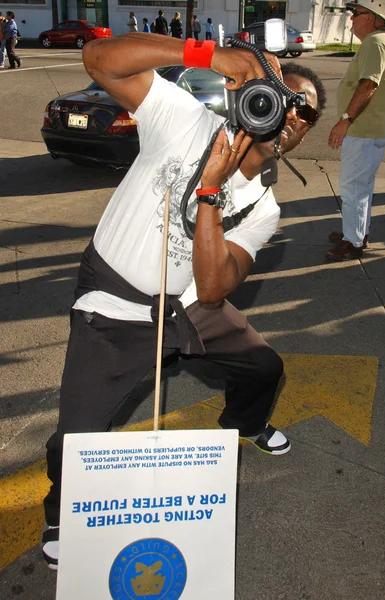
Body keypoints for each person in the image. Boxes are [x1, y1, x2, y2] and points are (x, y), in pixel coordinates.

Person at [41, 33, 326, 569]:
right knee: (73, 439)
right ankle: (61, 509)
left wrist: (211, 193)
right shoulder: (183, 119)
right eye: (278, 94)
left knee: (264, 367)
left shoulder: (265, 209)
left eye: (302, 111)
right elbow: (98, 59)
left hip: (190, 302)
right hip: (115, 304)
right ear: (247, 89)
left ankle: (244, 424)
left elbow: (216, 289)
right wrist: (208, 55)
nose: (286, 114)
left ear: (305, 131)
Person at [326, 0, 385, 261]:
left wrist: (345, 120)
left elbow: (369, 85)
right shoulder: (381, 40)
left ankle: (352, 242)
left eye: (357, 13)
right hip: (372, 129)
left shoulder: (376, 43)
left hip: (363, 129)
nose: (351, 18)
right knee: (362, 187)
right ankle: (357, 231)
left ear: (373, 17)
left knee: (352, 188)